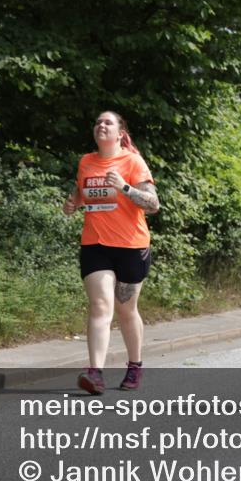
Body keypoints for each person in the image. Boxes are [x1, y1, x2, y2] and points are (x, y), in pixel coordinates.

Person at [62, 111, 159, 395]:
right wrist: (73, 203)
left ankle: (135, 365)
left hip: (131, 246)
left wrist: (125, 187)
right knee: (100, 305)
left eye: (108, 122)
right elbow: (82, 191)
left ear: (120, 133)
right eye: (97, 122)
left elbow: (153, 204)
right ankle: (95, 374)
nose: (101, 125)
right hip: (95, 245)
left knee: (126, 310)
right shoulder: (86, 162)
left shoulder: (133, 162)